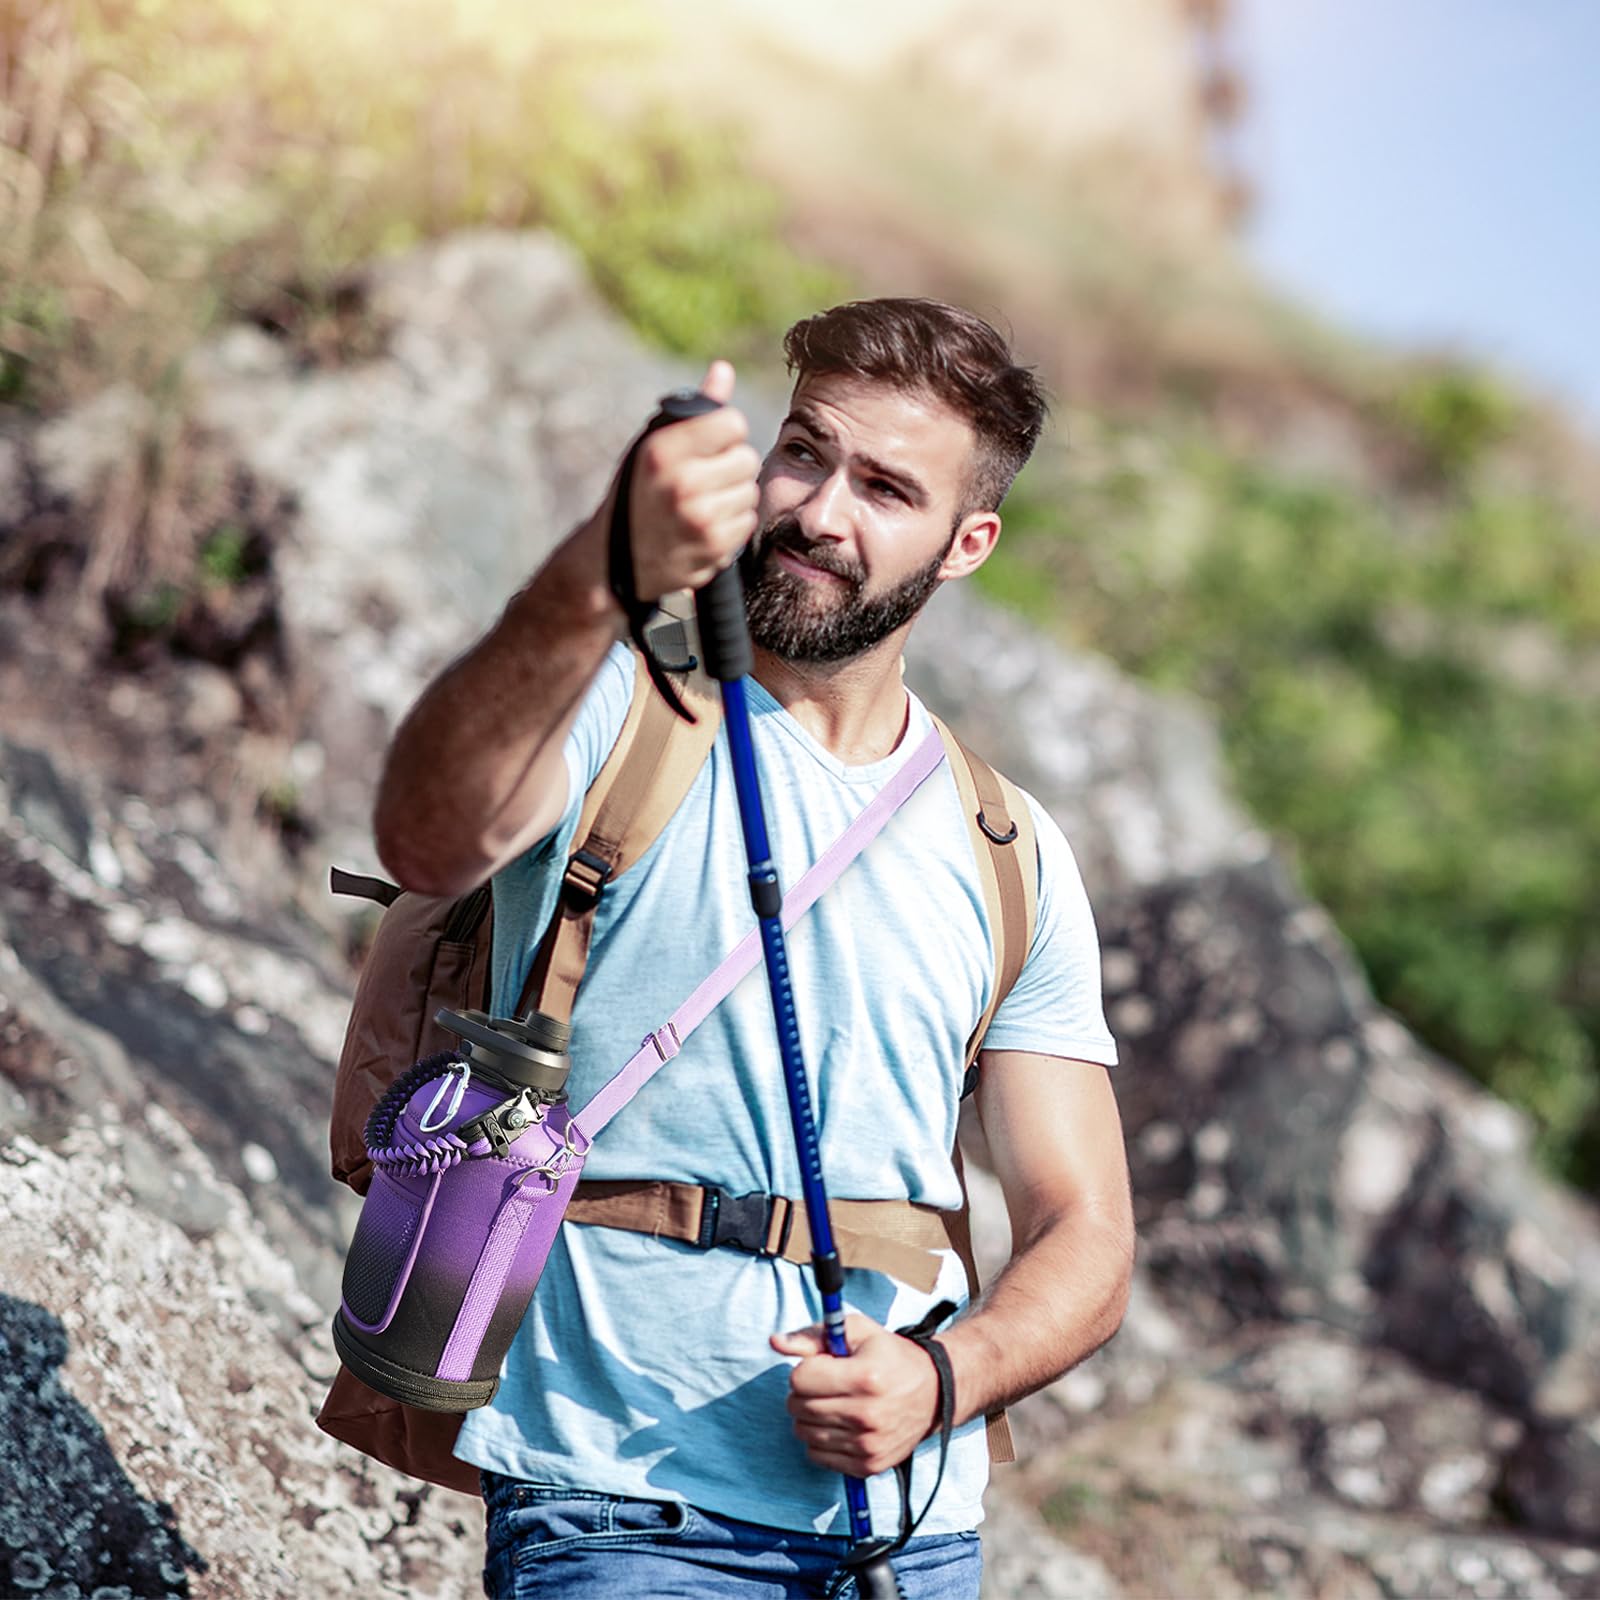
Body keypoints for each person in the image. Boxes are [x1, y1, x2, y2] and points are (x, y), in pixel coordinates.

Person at [373, 298, 1135, 1599]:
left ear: (967, 544)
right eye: (804, 453)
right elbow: (426, 838)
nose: (822, 512)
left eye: (887, 487)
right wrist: (597, 570)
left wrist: (944, 1379)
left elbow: (1087, 1232)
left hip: (913, 1533)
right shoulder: (614, 707)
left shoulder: (1010, 850)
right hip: (615, 1507)